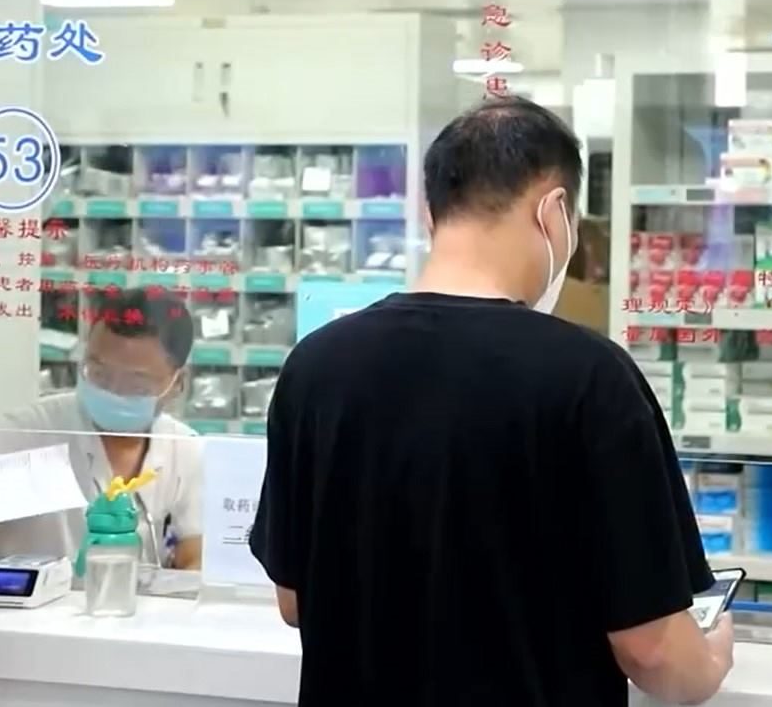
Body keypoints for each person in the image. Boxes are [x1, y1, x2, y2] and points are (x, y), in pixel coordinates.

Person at [250, 96, 734, 706]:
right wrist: (711, 660)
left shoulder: (315, 367)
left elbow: (294, 601)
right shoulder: (591, 378)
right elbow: (654, 650)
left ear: (431, 213)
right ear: (554, 213)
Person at [0, 286, 204, 570]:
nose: (113, 391)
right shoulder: (29, 432)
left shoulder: (186, 450)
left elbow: (197, 554)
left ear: (178, 384)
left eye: (137, 384)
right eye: (99, 373)